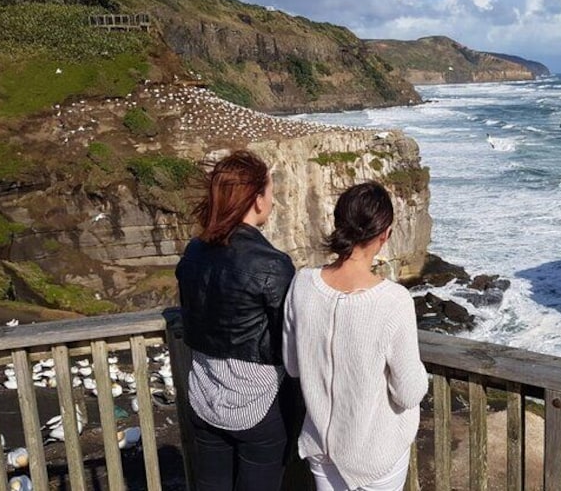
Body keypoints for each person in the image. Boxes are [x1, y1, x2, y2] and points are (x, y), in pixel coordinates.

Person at [283, 181, 428, 491]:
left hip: (321, 445)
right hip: (376, 455)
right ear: (385, 234)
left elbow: (293, 366)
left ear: (339, 223)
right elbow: (408, 393)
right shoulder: (394, 300)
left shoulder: (302, 284)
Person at [176, 150, 295, 491]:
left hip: (204, 393)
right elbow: (289, 340)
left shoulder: (195, 251)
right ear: (257, 200)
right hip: (256, 405)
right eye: (270, 192)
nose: (272, 200)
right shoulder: (272, 264)